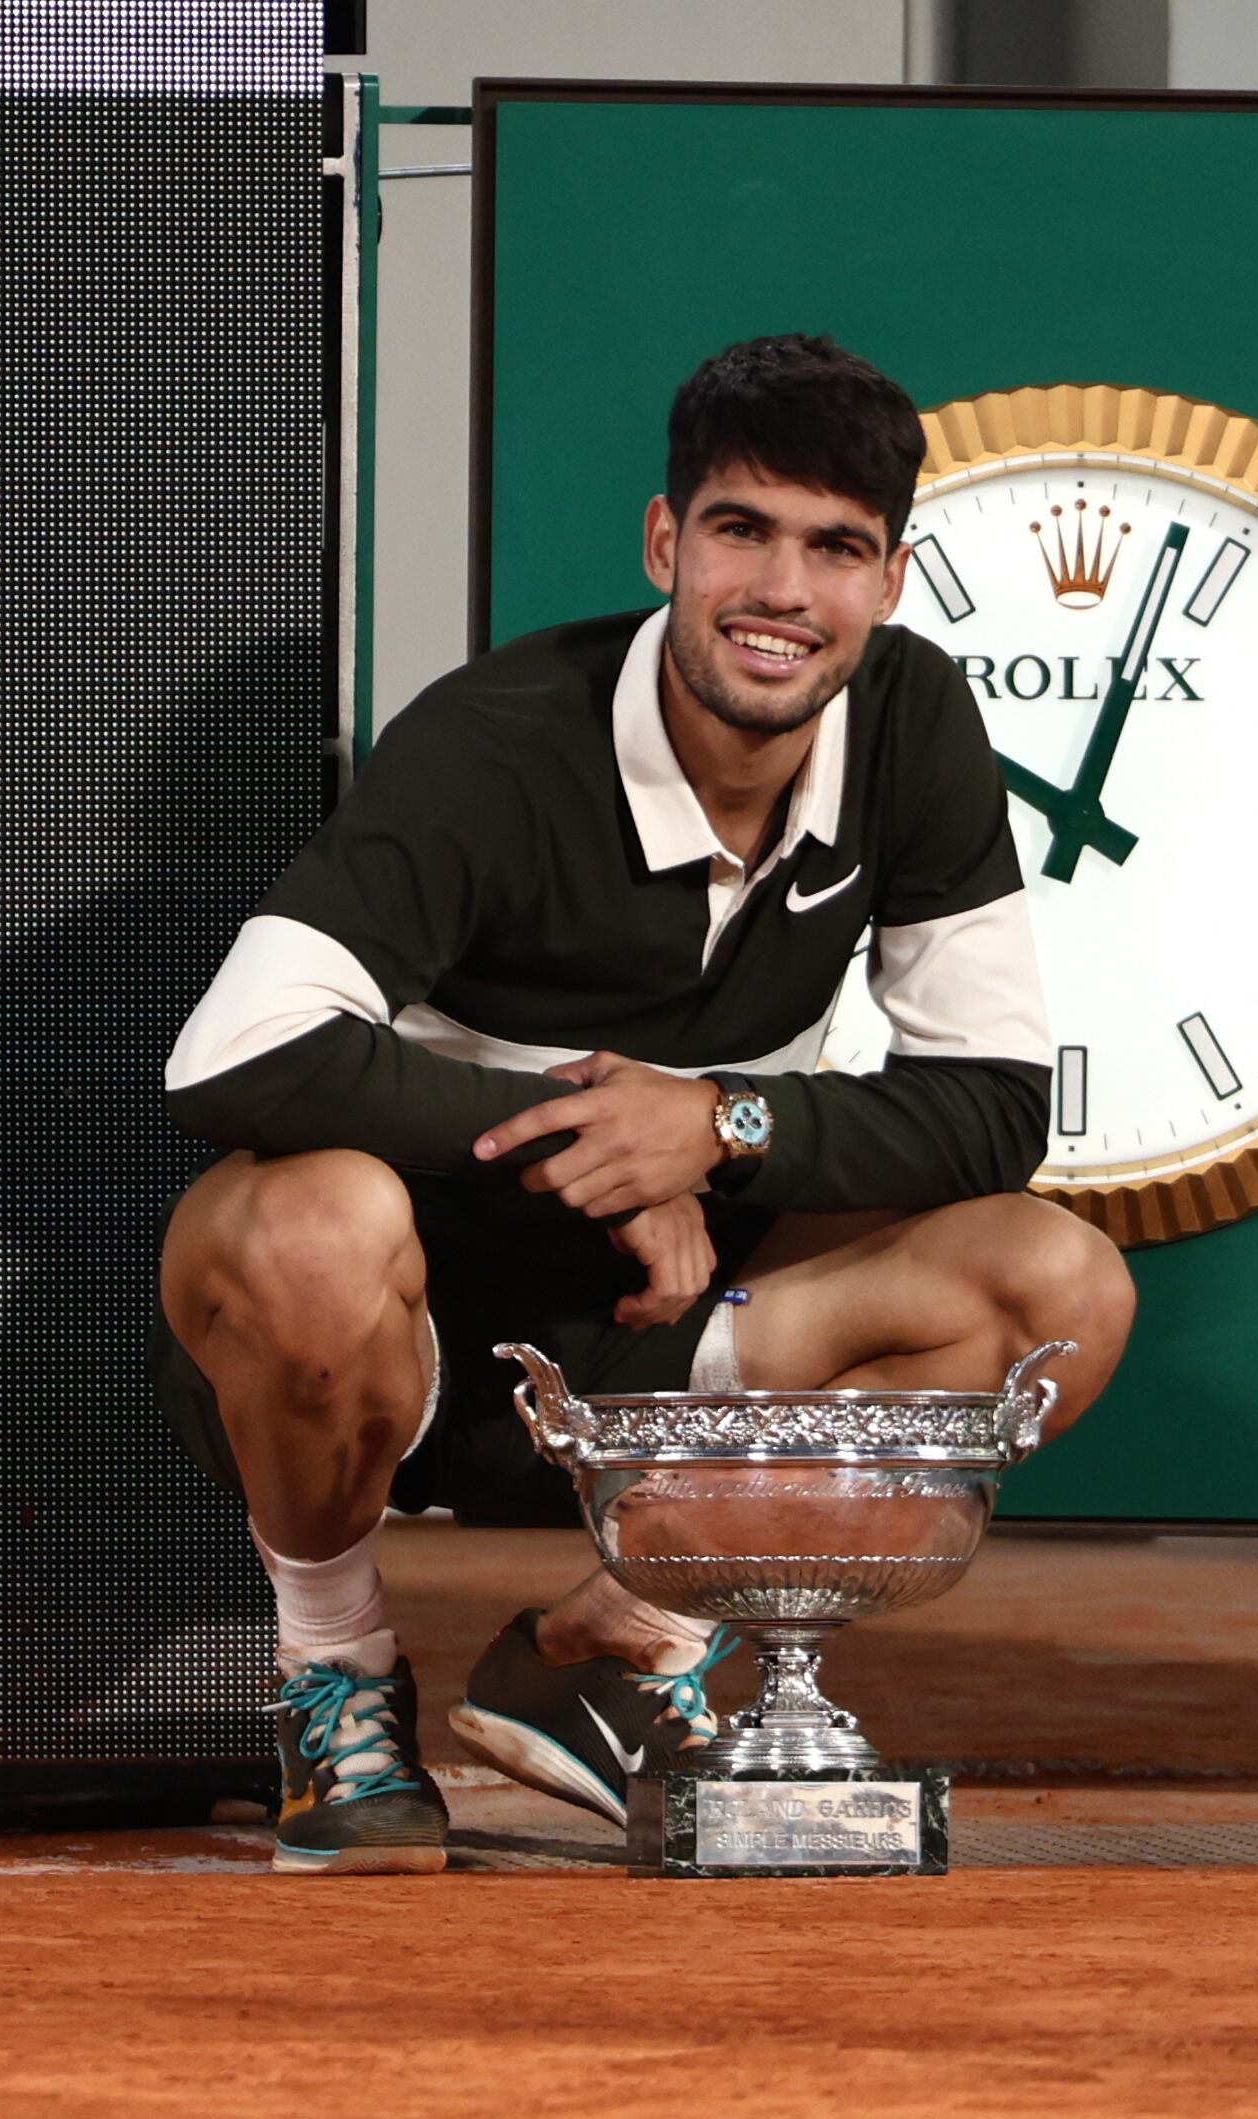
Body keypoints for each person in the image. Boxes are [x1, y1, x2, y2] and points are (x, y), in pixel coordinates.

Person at [153, 334, 1134, 1874]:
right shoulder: (495, 739)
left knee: (1054, 1287)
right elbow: (230, 1052)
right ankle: (335, 1676)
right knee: (302, 1224)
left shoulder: (913, 721)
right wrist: (602, 1145)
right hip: (390, 1339)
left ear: (890, 580)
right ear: (666, 542)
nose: (783, 593)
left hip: (676, 1335)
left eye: (837, 549)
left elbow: (996, 1105)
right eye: (743, 530)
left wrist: (718, 1127)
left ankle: (614, 1649)